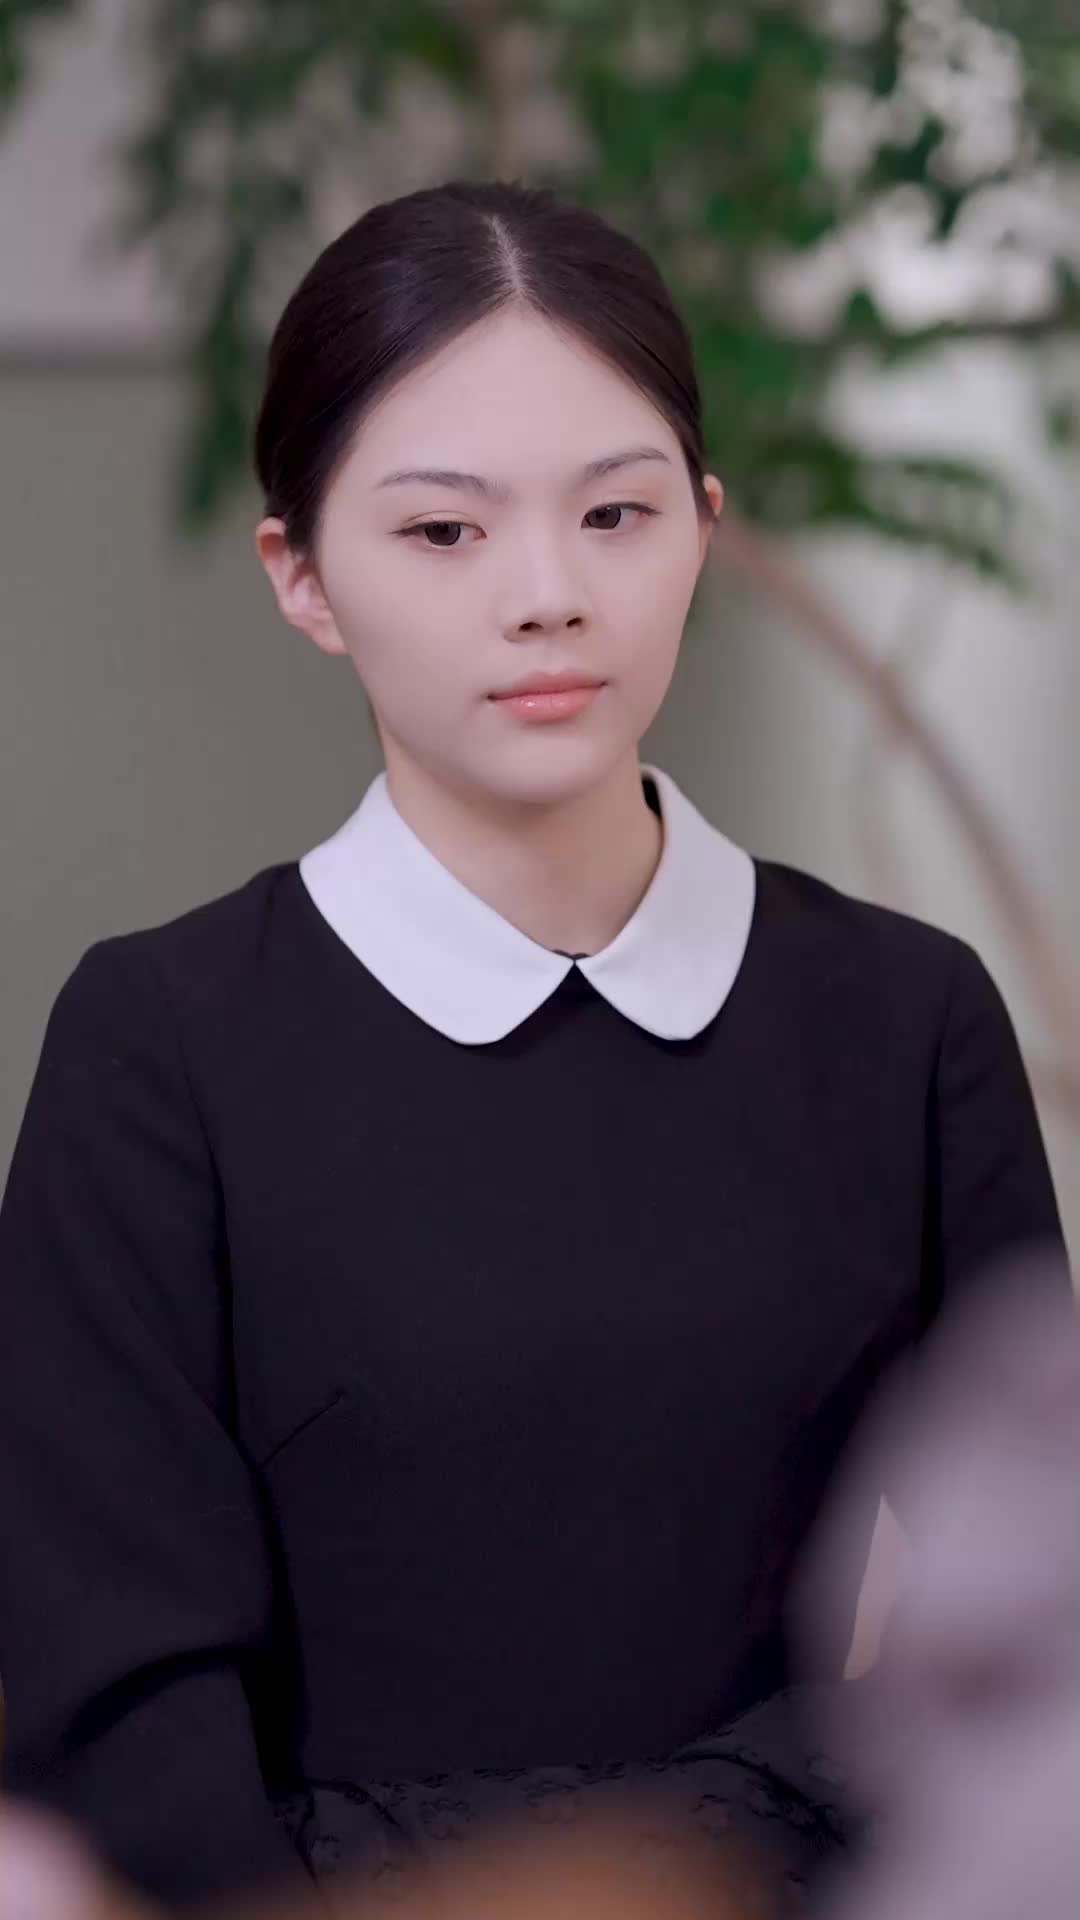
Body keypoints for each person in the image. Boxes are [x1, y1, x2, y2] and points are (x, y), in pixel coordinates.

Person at [0, 179, 1067, 1917]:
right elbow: (110, 1683)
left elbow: (1030, 1616)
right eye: (444, 531)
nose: (549, 595)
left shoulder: (906, 1019)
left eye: (617, 514)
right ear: (302, 576)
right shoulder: (158, 1046)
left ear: (703, 529)